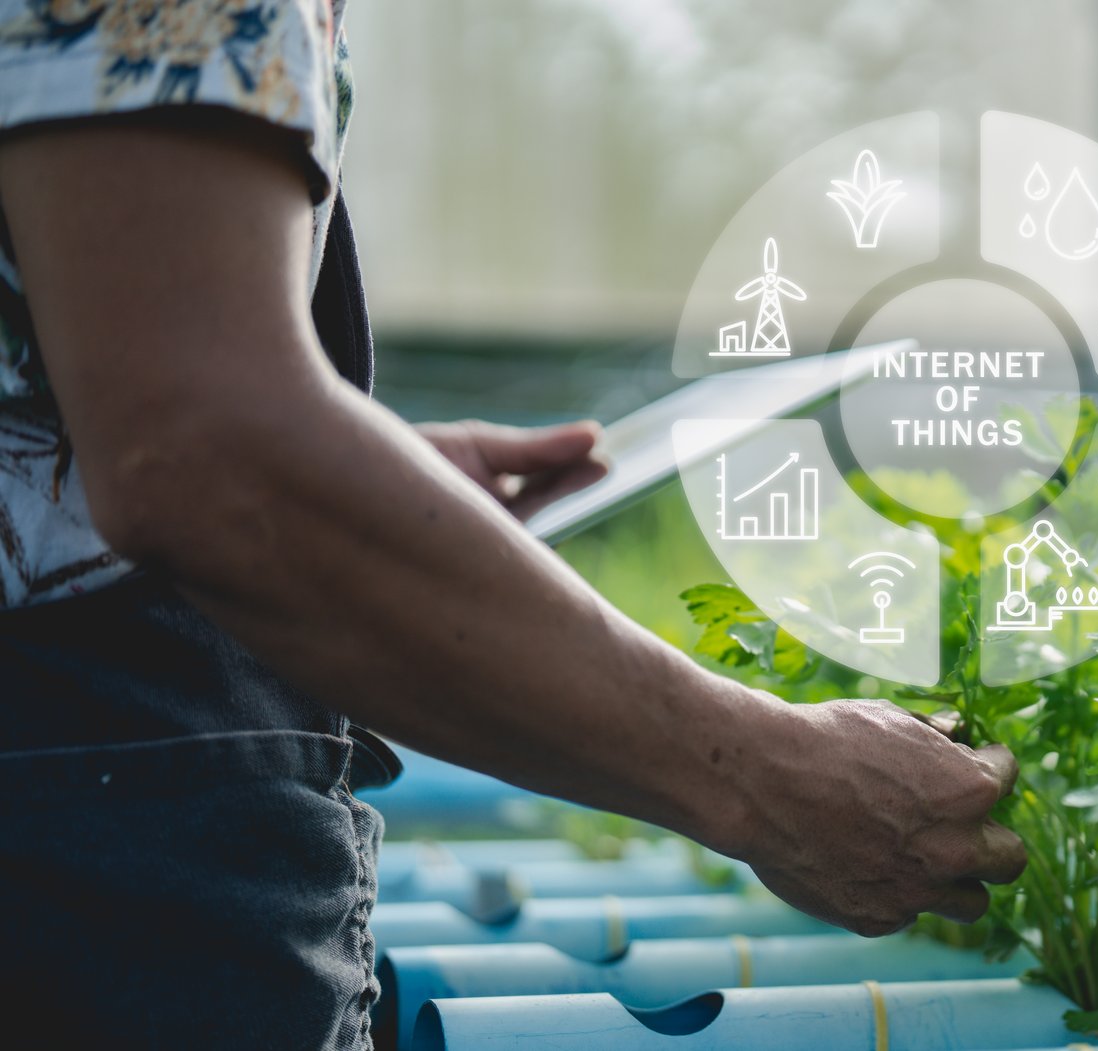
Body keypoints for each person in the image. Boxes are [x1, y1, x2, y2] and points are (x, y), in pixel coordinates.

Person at [0, 3, 1024, 1046]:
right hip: (96, 862)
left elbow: (130, 395)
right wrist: (761, 773)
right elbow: (203, 456)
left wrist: (370, 494)